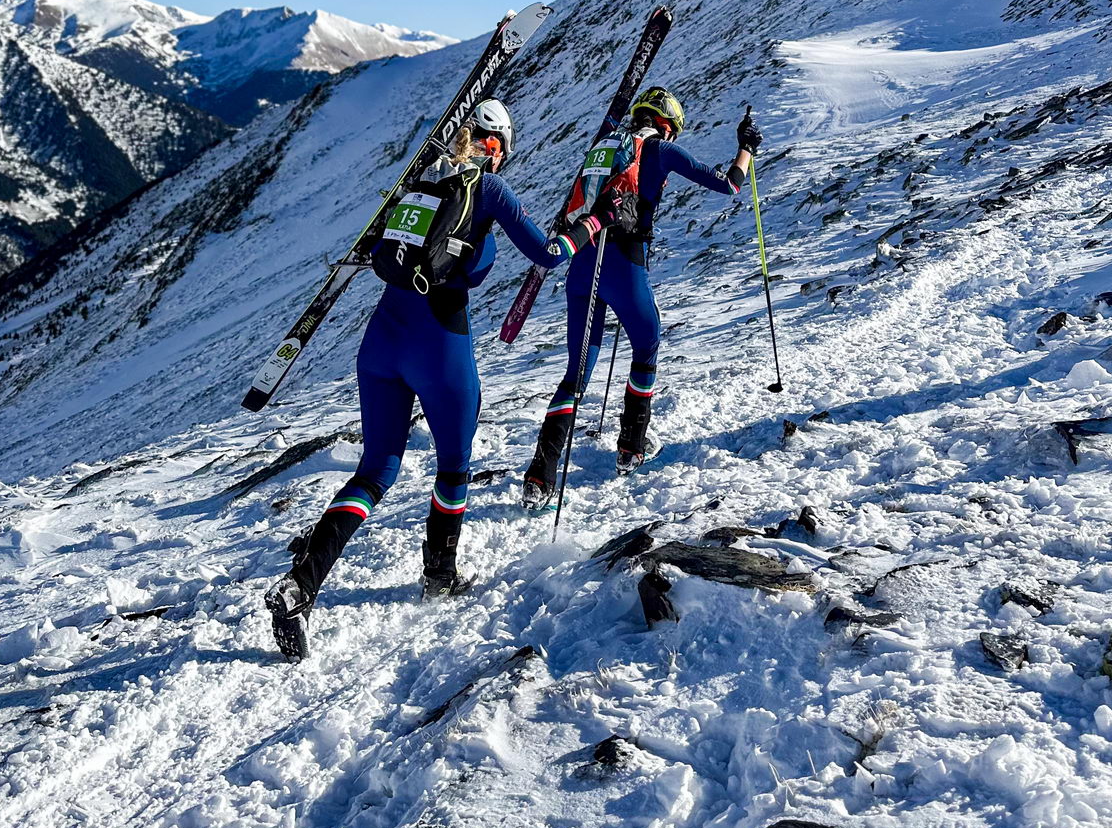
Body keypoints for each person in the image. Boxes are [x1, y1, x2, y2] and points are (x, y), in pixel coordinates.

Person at [265, 100, 563, 659]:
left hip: (381, 339)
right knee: (453, 465)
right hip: (440, 342)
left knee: (375, 468)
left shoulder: (417, 184)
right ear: (495, 145)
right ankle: (439, 575)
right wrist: (584, 230)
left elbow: (379, 251)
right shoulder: (489, 191)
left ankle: (299, 586)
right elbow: (545, 254)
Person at [521, 89, 762, 508]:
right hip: (624, 263)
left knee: (576, 373)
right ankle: (631, 446)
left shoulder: (602, 148)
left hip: (582, 262)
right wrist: (746, 147)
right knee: (647, 343)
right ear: (667, 123)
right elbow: (729, 185)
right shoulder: (659, 150)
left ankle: (540, 477)